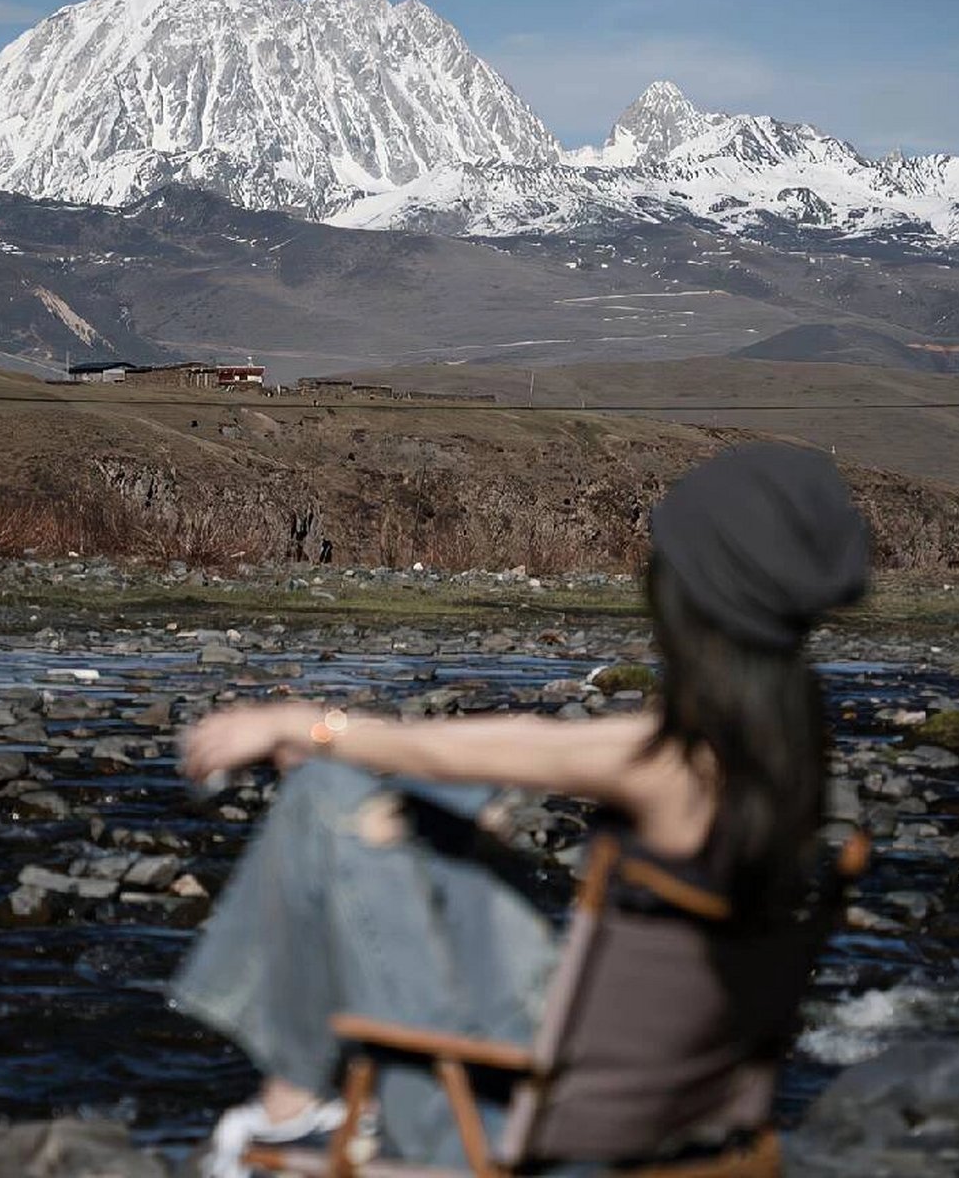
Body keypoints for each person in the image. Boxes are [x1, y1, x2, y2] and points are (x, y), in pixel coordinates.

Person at [172, 443, 870, 1175]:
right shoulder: (787, 745)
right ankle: (292, 1097)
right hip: (669, 1098)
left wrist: (311, 725)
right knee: (420, 801)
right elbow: (536, 745)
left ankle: (289, 1107)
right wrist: (362, 751)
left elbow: (537, 749)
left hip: (536, 1120)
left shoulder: (671, 767)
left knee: (324, 796)